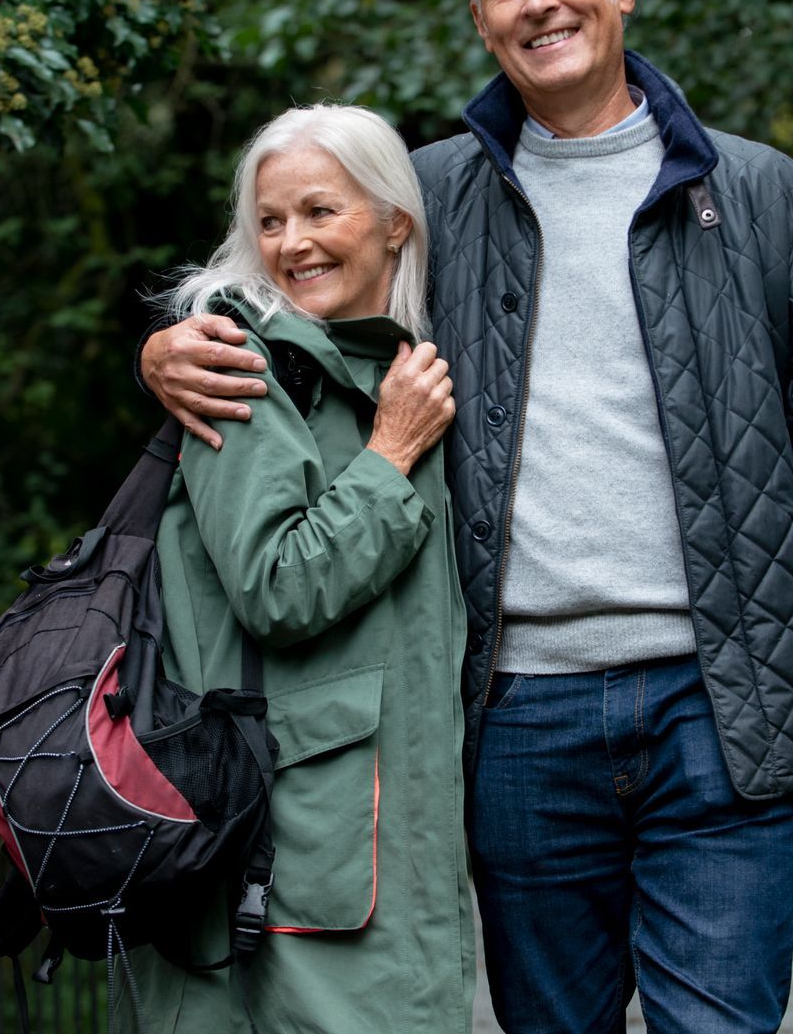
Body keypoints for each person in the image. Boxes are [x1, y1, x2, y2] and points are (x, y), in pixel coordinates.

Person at [142, 0, 793, 1033]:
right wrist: (173, 344)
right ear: (481, 20)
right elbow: (289, 286)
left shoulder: (769, 196)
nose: (538, 2)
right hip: (514, 714)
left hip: (721, 704)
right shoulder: (424, 198)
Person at [134, 104, 472, 1033]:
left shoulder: (387, 364)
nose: (293, 242)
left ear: (395, 220)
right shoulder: (238, 362)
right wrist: (390, 458)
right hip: (291, 861)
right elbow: (278, 583)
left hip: (374, 851)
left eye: (321, 211)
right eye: (271, 222)